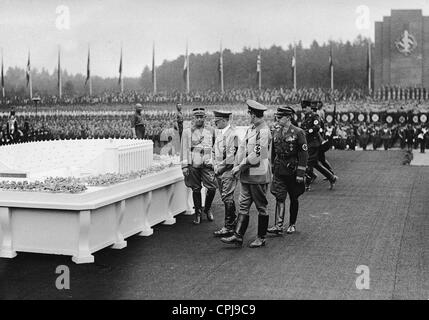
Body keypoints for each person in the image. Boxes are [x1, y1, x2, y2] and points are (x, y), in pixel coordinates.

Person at [221, 100, 272, 248]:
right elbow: (242, 149)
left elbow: (257, 155)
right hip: (247, 176)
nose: (247, 115)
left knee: (261, 206)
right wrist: (236, 165)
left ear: (254, 114)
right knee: (243, 205)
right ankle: (238, 236)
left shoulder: (263, 131)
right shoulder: (251, 129)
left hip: (258, 176)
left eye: (249, 113)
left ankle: (261, 238)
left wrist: (240, 167)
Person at [268, 106, 308, 236]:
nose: (277, 119)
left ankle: (292, 223)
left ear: (289, 117)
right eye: (277, 117)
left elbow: (303, 154)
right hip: (280, 168)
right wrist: (273, 166)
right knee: (280, 196)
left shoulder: (298, 132)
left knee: (293, 197)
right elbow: (274, 150)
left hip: (293, 169)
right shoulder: (275, 131)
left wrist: (301, 173)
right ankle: (278, 225)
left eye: (280, 117)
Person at [180, 107, 217, 225]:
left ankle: (207, 208)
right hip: (193, 164)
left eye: (201, 117)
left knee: (212, 188)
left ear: (205, 118)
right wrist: (184, 166)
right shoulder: (187, 131)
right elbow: (183, 149)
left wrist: (214, 161)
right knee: (196, 189)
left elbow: (216, 147)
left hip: (207, 164)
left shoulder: (211, 130)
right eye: (197, 117)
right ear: (193, 118)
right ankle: (198, 213)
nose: (199, 119)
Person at [212, 110, 240, 237]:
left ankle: (229, 226)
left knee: (227, 197)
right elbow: (214, 151)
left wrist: (218, 169)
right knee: (225, 198)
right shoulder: (220, 133)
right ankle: (232, 223)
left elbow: (230, 158)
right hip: (219, 171)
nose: (215, 123)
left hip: (227, 172)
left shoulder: (233, 135)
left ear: (224, 120)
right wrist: (214, 165)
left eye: (217, 121)